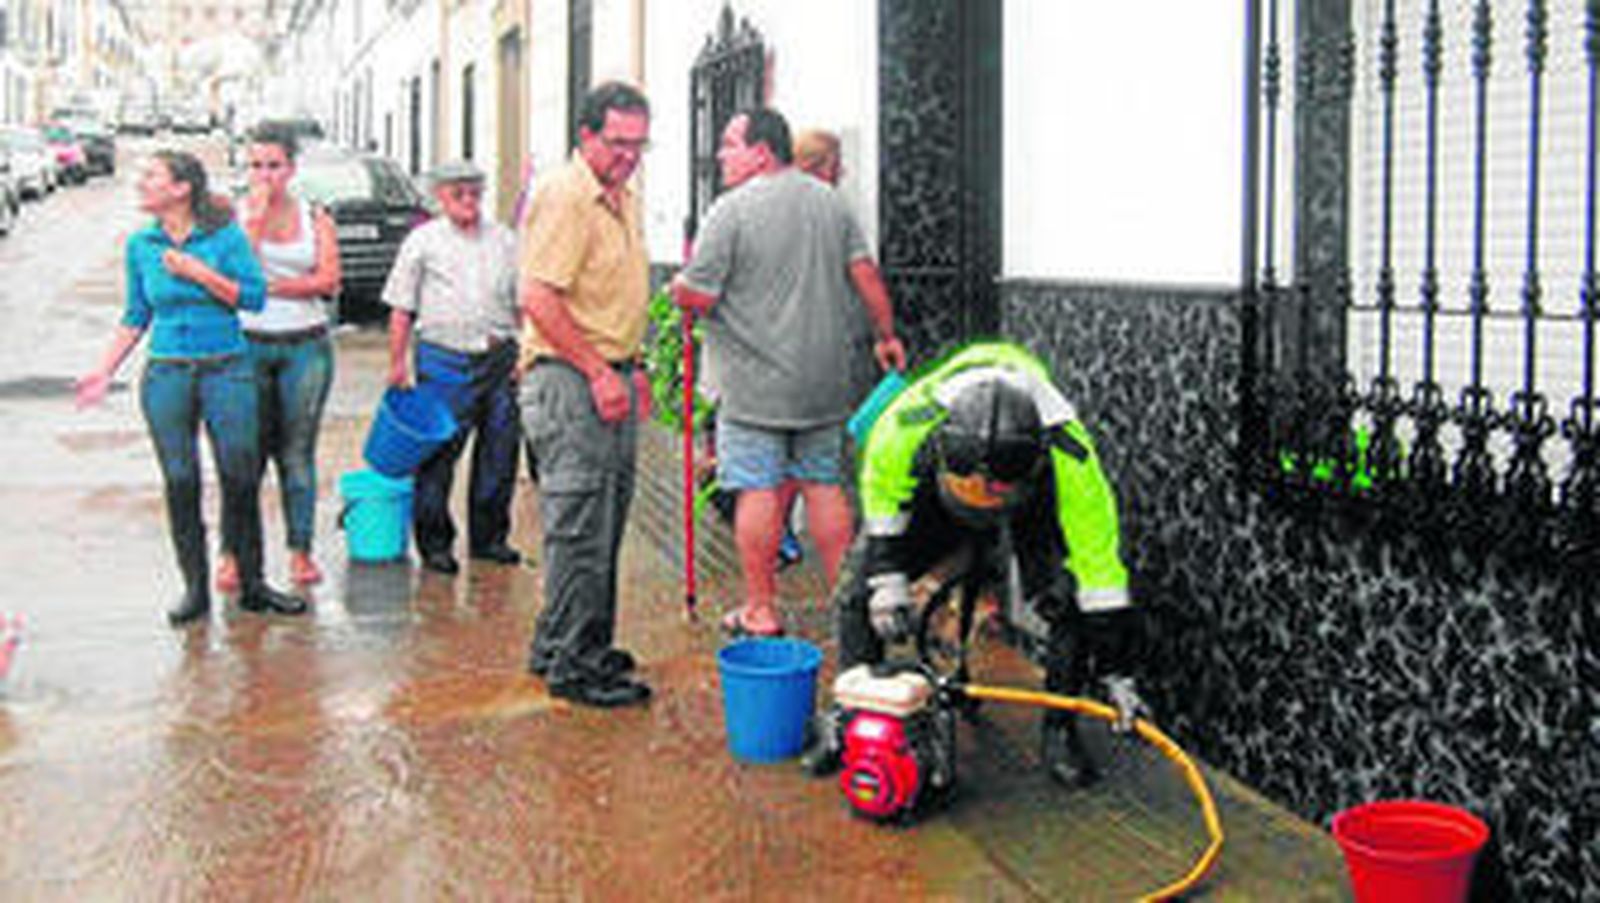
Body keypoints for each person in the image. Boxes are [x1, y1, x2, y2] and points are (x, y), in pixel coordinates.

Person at [814, 341, 1147, 787]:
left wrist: (1116, 672)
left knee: (1069, 599)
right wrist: (888, 580)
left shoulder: (1071, 457)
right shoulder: (909, 422)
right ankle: (851, 718)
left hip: (1032, 504)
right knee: (857, 592)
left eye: (992, 493)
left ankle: (1060, 729)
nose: (982, 500)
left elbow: (1101, 577)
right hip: (936, 497)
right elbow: (882, 491)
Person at [673, 107, 906, 639]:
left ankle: (760, 608)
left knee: (755, 488)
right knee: (824, 485)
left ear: (762, 150)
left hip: (754, 387)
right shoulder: (831, 203)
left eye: (730, 144)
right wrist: (886, 336)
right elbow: (865, 275)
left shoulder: (729, 211)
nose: (721, 154)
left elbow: (701, 293)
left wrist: (678, 291)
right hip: (823, 381)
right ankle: (848, 604)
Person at [76, 150, 306, 625]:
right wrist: (104, 370)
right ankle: (195, 590)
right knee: (180, 482)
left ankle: (254, 584)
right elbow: (136, 314)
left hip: (227, 369)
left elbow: (255, 297)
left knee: (240, 478)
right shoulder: (141, 245)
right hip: (168, 374)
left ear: (181, 188)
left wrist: (198, 272)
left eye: (151, 176)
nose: (141, 183)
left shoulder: (224, 238)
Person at [518, 82, 654, 709]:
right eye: (618, 142)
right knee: (580, 529)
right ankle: (577, 665)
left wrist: (635, 365)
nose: (630, 155)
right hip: (570, 380)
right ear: (586, 135)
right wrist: (599, 371)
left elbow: (614, 293)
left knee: (602, 520)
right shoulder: (566, 196)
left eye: (639, 143)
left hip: (606, 372)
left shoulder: (618, 195)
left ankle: (565, 643)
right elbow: (538, 297)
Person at [213, 121, 343, 591]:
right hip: (245, 345)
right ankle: (232, 554)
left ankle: (300, 551)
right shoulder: (232, 218)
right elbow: (233, 274)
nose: (265, 175)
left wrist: (269, 287)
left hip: (305, 345)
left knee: (297, 453)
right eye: (256, 166)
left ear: (291, 168)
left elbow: (328, 282)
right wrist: (256, 219)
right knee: (242, 456)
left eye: (274, 165)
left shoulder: (316, 216)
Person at [382, 160, 523, 575]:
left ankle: (490, 538)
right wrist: (397, 362)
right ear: (440, 198)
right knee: (440, 454)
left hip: (498, 357)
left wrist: (526, 353)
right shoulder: (422, 242)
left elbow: (524, 303)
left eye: (475, 193)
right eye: (458, 194)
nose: (468, 202)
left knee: (500, 452)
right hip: (443, 359)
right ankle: (435, 544)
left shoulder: (504, 240)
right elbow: (401, 307)